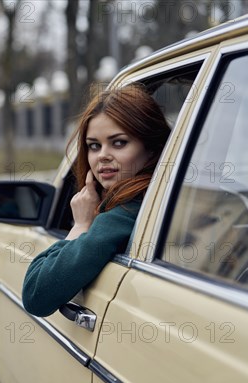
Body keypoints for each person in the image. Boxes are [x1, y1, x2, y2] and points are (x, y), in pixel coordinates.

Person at [22, 84, 171, 317]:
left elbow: (35, 295)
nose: (102, 155)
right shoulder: (163, 199)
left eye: (119, 142)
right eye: (94, 145)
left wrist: (81, 225)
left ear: (152, 149)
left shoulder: (124, 215)